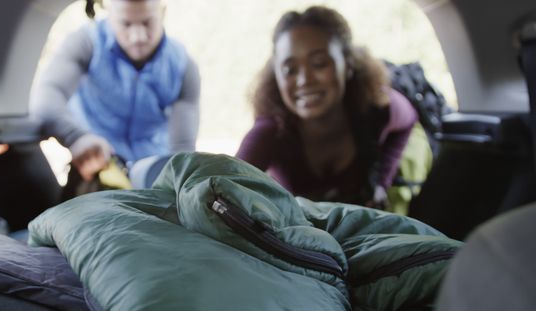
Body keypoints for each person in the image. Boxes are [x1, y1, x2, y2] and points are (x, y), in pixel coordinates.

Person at [236, 5, 418, 208]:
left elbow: (408, 120)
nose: (304, 80)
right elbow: (227, 187)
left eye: (319, 63)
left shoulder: (377, 106)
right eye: (290, 70)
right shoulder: (271, 130)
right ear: (276, 76)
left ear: (348, 64)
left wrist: (382, 182)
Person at [30, 0, 200, 189]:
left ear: (162, 13)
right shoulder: (86, 42)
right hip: (97, 169)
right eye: (126, 24)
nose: (138, 37)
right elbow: (46, 97)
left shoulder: (183, 66)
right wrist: (76, 137)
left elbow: (183, 147)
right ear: (109, 14)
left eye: (147, 23)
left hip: (154, 179)